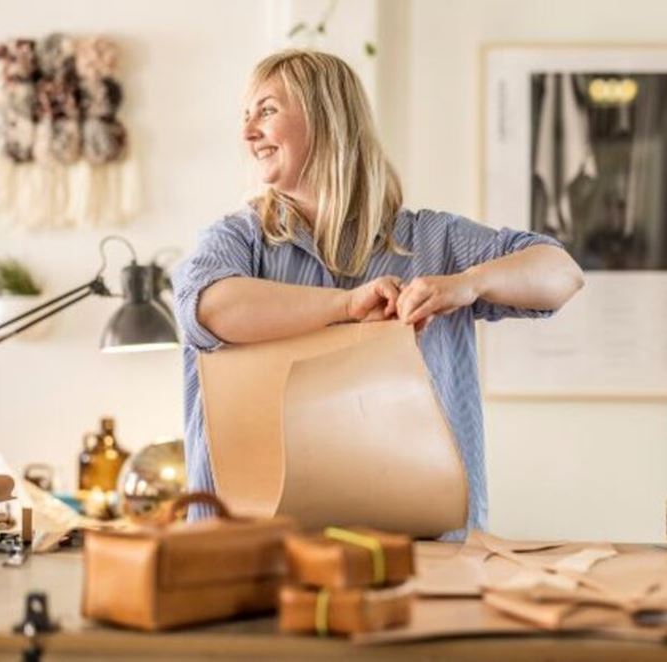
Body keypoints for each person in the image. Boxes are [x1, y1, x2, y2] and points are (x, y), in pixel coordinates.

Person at [172, 50, 584, 536]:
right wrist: (346, 306)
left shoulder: (434, 241)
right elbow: (210, 308)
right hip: (256, 548)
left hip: (418, 546)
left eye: (266, 110)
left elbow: (561, 274)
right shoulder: (236, 241)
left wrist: (465, 285)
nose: (247, 133)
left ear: (326, 115)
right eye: (246, 115)